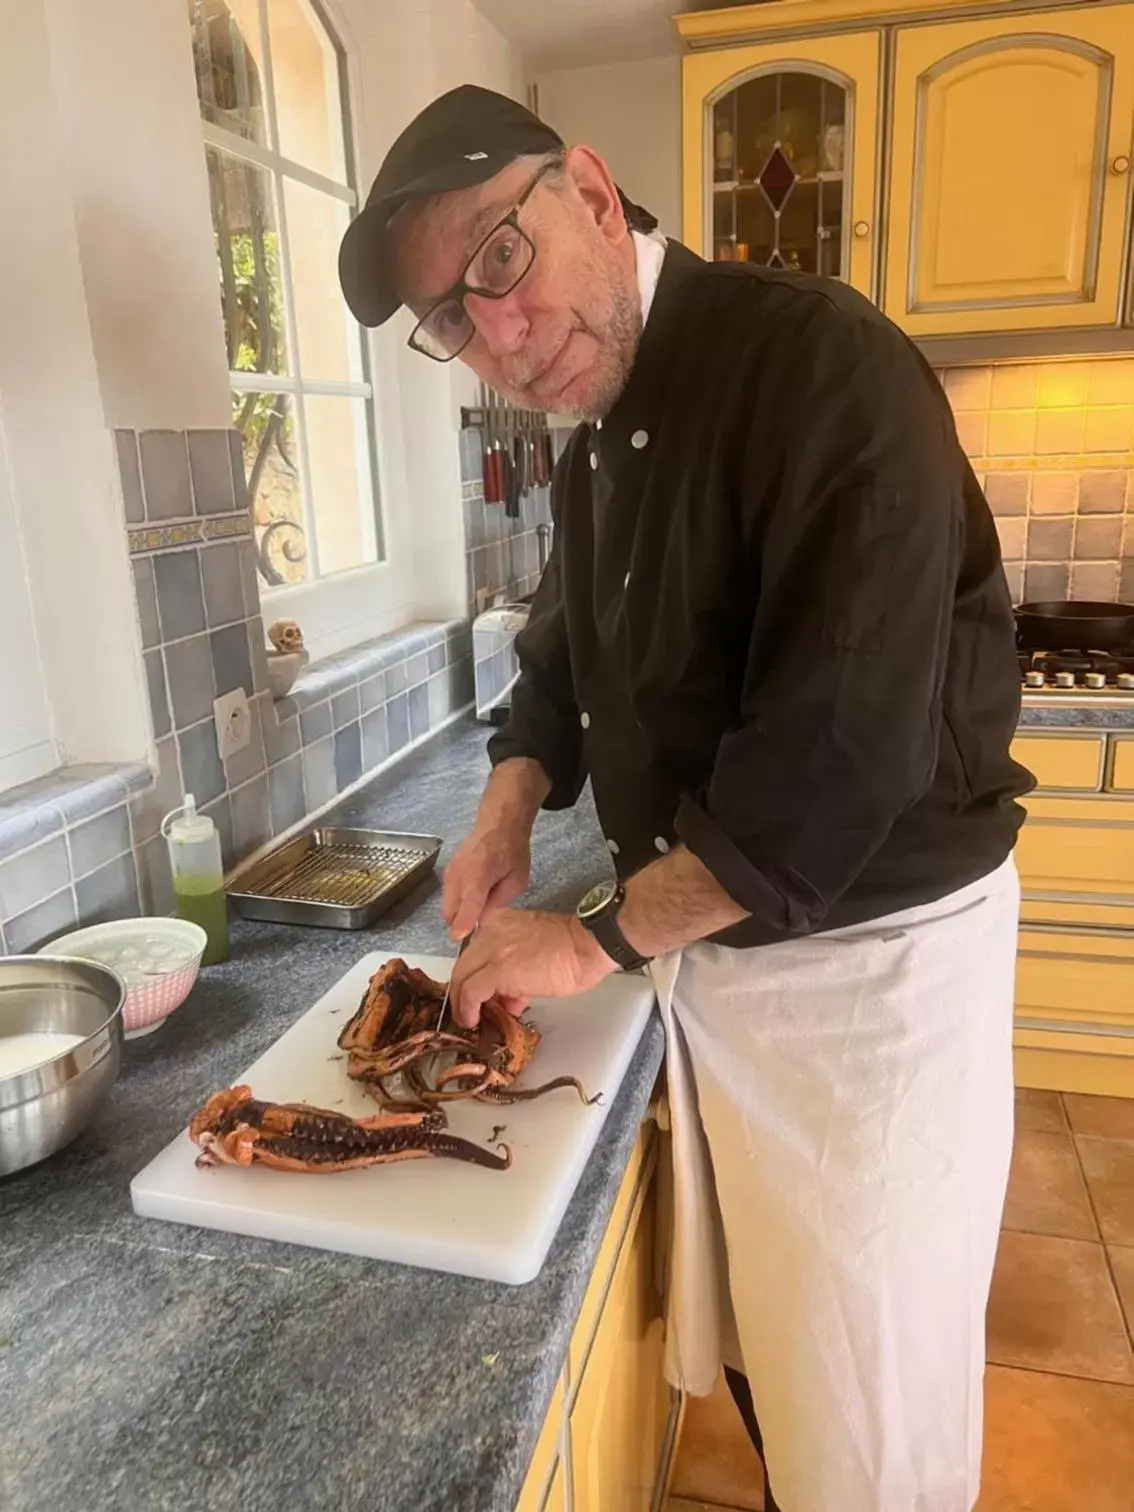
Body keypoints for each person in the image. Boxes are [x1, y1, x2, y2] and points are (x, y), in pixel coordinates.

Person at [339, 84, 1034, 1512]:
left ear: (590, 193)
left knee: (871, 1419)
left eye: (498, 265)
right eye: (452, 321)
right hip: (721, 964)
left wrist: (586, 941)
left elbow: (829, 770)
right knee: (789, 1376)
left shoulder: (820, 369)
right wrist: (506, 805)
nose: (495, 336)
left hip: (869, 989)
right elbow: (560, 646)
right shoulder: (600, 424)